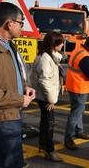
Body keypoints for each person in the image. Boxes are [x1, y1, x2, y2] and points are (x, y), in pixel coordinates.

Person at [0, 2, 35, 168]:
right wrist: (19, 99)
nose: (22, 27)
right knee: (10, 161)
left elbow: (13, 72)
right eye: (21, 23)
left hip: (10, 110)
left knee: (4, 158)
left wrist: (24, 86)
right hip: (0, 114)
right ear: (9, 24)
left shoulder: (9, 44)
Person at [30, 32, 64, 162]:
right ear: (53, 44)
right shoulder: (46, 58)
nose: (62, 45)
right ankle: (50, 150)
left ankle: (42, 145)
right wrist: (52, 100)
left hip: (43, 96)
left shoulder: (47, 56)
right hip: (45, 97)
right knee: (49, 123)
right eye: (60, 42)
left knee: (45, 121)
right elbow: (44, 80)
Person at [64, 37, 89, 150]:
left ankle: (79, 131)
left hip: (73, 85)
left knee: (78, 111)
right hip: (79, 87)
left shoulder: (78, 49)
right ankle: (68, 139)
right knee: (75, 113)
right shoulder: (84, 56)